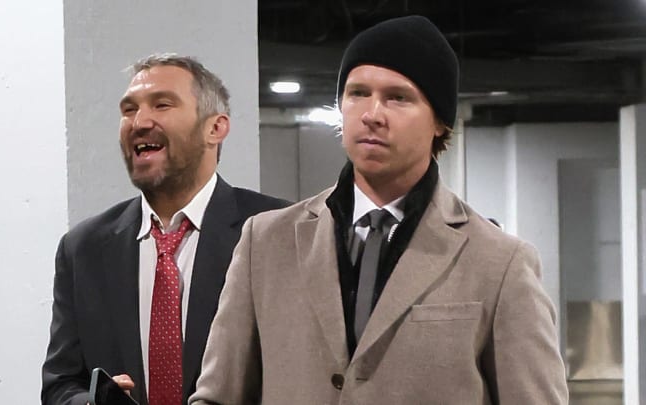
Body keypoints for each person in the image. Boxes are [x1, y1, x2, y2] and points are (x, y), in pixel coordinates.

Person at [190, 16, 568, 404]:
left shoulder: (498, 262)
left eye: (397, 97)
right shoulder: (266, 243)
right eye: (357, 93)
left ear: (440, 121)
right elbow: (218, 396)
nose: (372, 113)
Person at [41, 53, 289, 405]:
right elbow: (60, 384)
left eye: (161, 105)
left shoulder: (277, 231)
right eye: (129, 110)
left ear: (215, 128)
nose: (140, 122)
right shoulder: (84, 249)